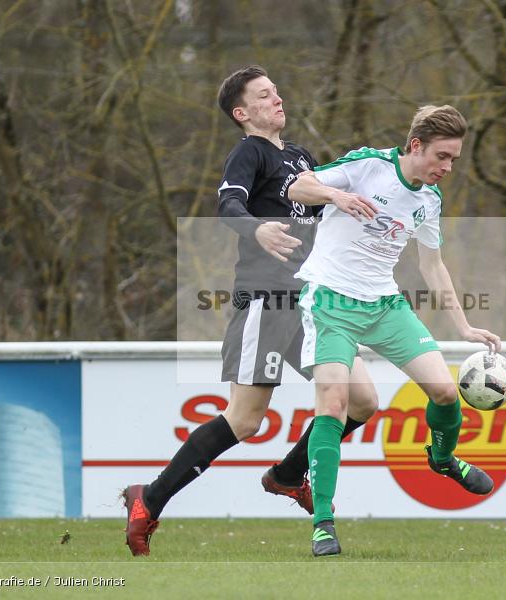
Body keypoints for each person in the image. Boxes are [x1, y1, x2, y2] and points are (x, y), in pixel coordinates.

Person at [122, 66, 379, 557]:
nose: (277, 99)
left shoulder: (301, 157)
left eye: (277, 91)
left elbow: (324, 213)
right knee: (244, 421)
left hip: (310, 302)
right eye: (264, 95)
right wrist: (257, 228)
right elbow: (228, 205)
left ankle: (286, 474)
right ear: (242, 113)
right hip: (266, 298)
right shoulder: (249, 151)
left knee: (362, 400)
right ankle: (148, 501)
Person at [288, 105, 503, 557]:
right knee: (334, 405)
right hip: (331, 301)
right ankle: (323, 522)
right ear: (416, 145)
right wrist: (335, 196)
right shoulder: (370, 166)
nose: (446, 168)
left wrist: (462, 325)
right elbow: (298, 185)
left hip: (384, 305)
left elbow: (432, 263)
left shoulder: (428, 200)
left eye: (454, 160)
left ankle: (442, 460)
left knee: (445, 392)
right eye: (441, 156)